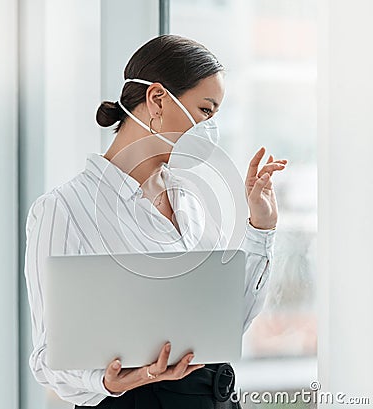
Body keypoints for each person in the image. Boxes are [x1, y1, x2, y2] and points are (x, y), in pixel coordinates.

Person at [24, 34, 287, 409]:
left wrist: (261, 227)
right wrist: (108, 381)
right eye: (205, 110)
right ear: (158, 99)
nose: (209, 127)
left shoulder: (195, 201)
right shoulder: (65, 209)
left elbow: (226, 324)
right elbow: (48, 357)